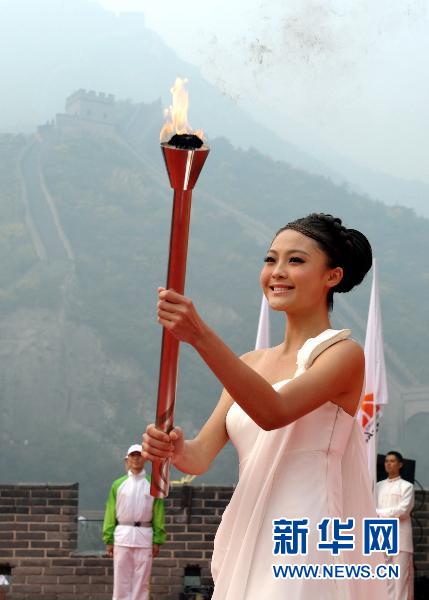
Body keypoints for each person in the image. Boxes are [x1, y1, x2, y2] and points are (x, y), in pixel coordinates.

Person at [143, 213, 388, 599]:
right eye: (271, 260)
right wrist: (173, 449)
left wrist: (200, 336)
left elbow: (273, 412)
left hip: (304, 535)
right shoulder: (251, 364)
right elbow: (200, 456)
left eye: (296, 260)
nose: (277, 272)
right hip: (248, 532)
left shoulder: (342, 355)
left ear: (333, 276)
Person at [103, 444, 166, 600]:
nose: (136, 459)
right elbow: (110, 512)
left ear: (145, 459)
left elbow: (158, 513)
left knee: (142, 580)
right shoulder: (118, 484)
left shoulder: (154, 484)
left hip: (144, 536)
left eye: (139, 455)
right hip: (122, 535)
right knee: (121, 579)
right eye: (133, 456)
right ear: (127, 459)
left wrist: (157, 540)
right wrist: (108, 538)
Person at [377, 451, 415, 600]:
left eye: (392, 461)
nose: (388, 464)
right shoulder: (378, 486)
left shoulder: (407, 487)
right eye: (386, 461)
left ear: (400, 465)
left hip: (400, 537)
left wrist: (378, 513)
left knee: (400, 578)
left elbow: (403, 511)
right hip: (380, 535)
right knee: (383, 576)